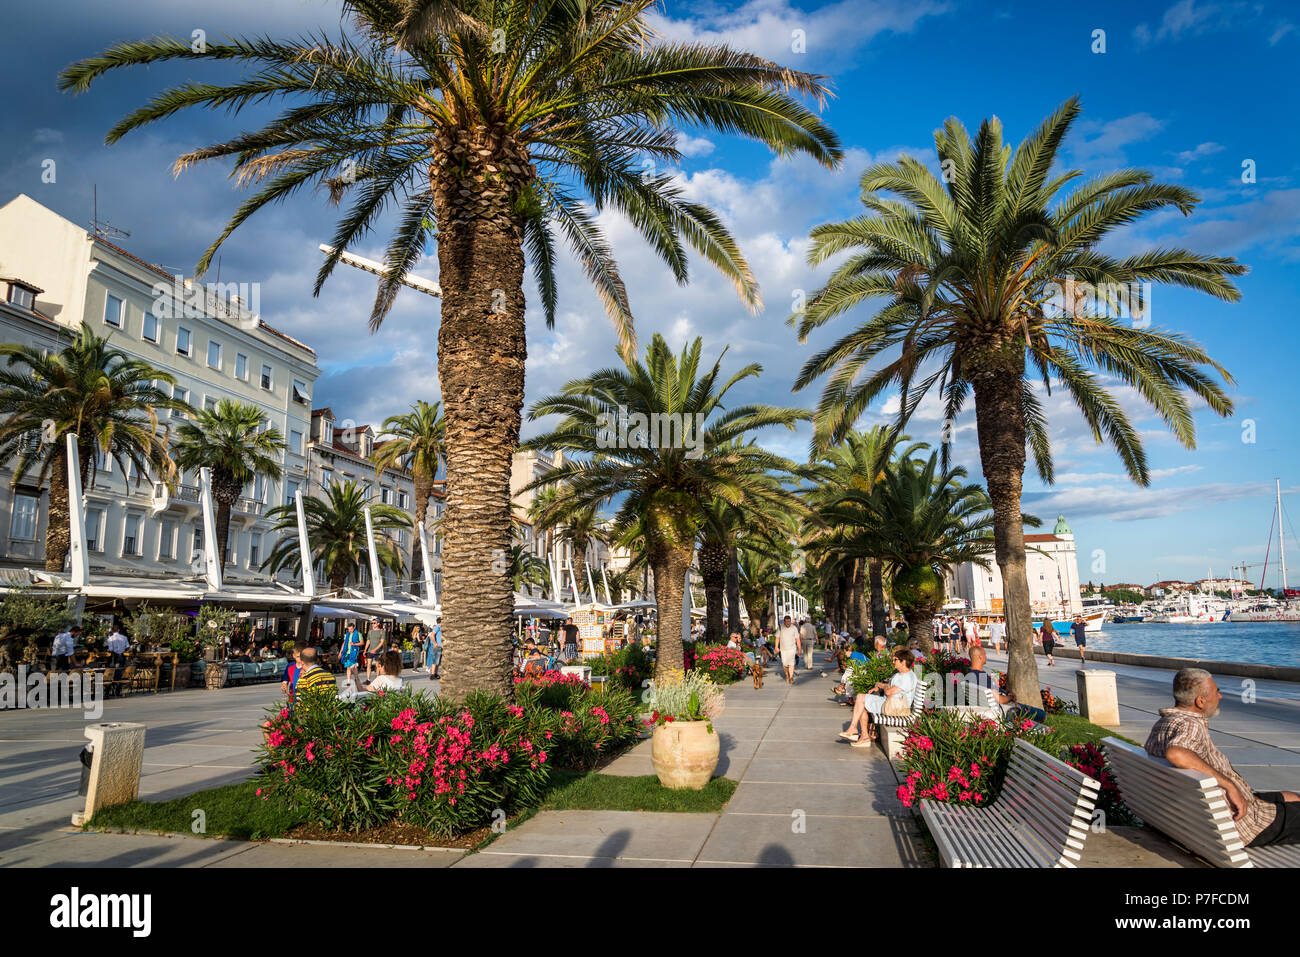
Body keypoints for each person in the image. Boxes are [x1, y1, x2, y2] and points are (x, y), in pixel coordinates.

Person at [1146, 668, 1300, 848]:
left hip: (1202, 814)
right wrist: (1229, 785)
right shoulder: (1190, 725)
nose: (1220, 697)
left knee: (1292, 797)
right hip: (1244, 824)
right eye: (1216, 692)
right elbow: (1176, 753)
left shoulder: (1164, 724)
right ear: (1201, 701)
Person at [840, 648, 918, 747]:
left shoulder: (907, 678)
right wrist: (882, 686)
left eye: (895, 660)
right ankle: (861, 734)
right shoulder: (900, 674)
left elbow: (889, 692)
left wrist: (885, 687)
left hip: (896, 708)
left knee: (861, 699)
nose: (893, 661)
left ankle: (857, 732)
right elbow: (888, 688)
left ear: (903, 662)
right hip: (890, 703)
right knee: (861, 698)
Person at [962, 646, 1046, 722]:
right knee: (1041, 714)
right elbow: (1000, 699)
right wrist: (1010, 697)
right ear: (980, 657)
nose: (986, 657)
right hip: (1004, 709)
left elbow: (994, 692)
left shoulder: (970, 675)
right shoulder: (980, 677)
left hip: (992, 706)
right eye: (984, 654)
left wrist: (1005, 692)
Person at [774, 615, 801, 684]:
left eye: (789, 621)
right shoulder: (780, 627)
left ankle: (791, 677)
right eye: (786, 622)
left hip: (792, 649)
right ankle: (786, 675)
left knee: (791, 663)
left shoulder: (794, 628)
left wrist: (799, 648)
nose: (788, 623)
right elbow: (777, 638)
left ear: (790, 621)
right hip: (783, 649)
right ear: (784, 621)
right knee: (785, 664)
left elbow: (797, 639)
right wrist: (776, 647)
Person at [339, 621, 363, 687]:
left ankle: (356, 678)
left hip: (354, 652)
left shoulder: (358, 634)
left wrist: (354, 644)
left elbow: (362, 643)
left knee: (354, 667)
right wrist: (341, 652)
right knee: (348, 667)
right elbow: (344, 643)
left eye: (351, 629)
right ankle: (348, 681)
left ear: (354, 628)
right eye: (349, 629)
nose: (350, 630)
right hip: (347, 652)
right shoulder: (347, 635)